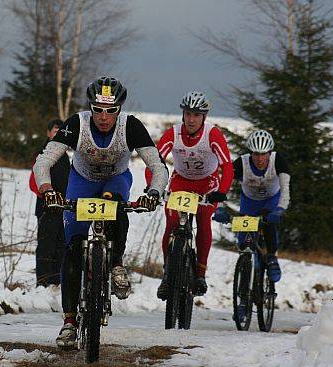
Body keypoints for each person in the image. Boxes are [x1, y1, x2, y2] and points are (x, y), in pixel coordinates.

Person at [33, 76, 169, 349]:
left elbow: (157, 165)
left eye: (110, 111)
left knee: (117, 205)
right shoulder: (76, 124)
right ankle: (69, 322)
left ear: (119, 109)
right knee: (72, 247)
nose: (104, 117)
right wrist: (47, 189)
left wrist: (154, 193)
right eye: (98, 110)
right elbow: (44, 161)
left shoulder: (130, 126)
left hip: (115, 180)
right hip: (81, 182)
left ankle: (116, 262)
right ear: (90, 108)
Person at [145, 91, 234, 300]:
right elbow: (154, 163)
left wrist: (221, 193)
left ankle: (200, 274)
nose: (191, 119)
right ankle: (168, 274)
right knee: (172, 221)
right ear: (183, 115)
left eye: (196, 115)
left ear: (204, 116)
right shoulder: (173, 133)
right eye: (187, 114)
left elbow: (227, 167)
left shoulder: (212, 134)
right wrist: (153, 186)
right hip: (181, 181)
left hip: (207, 183)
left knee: (204, 220)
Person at [214, 130, 290, 322]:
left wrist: (280, 210)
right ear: (251, 153)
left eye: (263, 153)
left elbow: (285, 190)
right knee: (244, 249)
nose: (260, 158)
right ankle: (242, 302)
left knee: (269, 225)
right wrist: (220, 207)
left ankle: (271, 257)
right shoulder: (242, 163)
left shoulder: (278, 161)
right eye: (256, 154)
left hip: (270, 203)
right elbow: (224, 184)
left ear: (269, 152)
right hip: (249, 204)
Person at [29, 119, 70, 287]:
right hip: (47, 208)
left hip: (63, 208)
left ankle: (57, 281)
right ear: (48, 133)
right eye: (54, 131)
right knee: (47, 245)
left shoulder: (64, 155)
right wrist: (47, 195)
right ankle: (44, 282)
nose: (57, 134)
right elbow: (34, 182)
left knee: (61, 245)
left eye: (60, 132)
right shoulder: (44, 153)